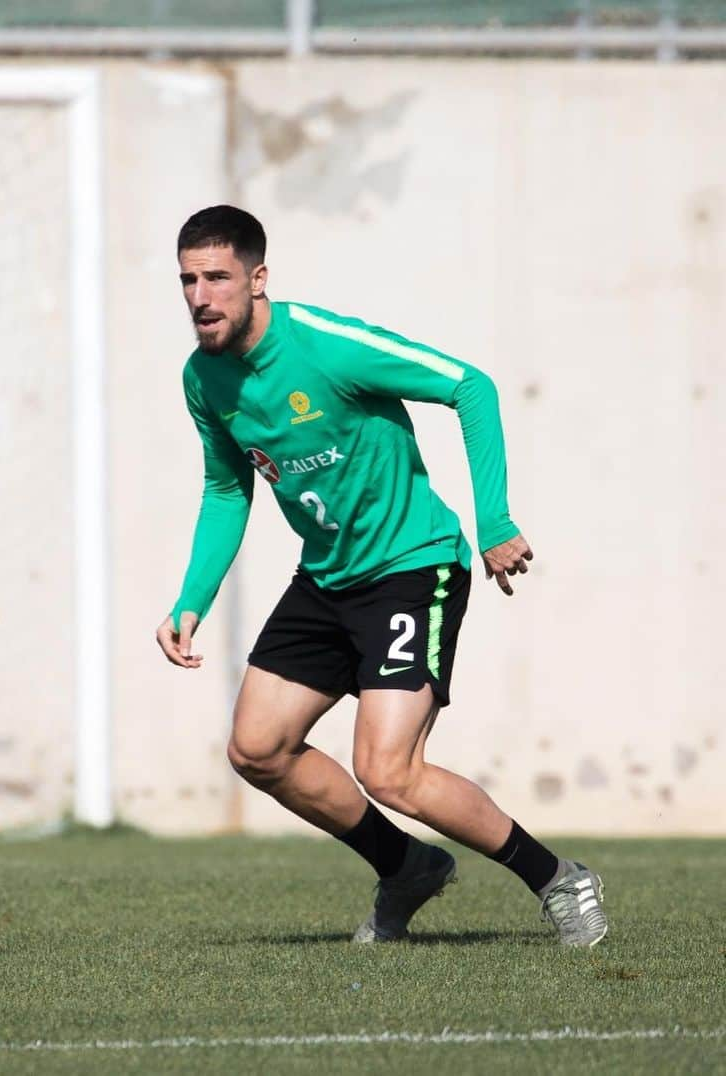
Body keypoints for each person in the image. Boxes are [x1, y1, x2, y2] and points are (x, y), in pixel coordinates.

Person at [156, 205, 607, 948]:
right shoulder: (204, 378)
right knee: (257, 749)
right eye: (188, 281)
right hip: (326, 578)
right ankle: (405, 867)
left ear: (259, 279)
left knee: (389, 772)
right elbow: (227, 487)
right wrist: (190, 600)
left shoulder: (327, 345)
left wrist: (491, 520)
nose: (201, 297)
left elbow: (472, 386)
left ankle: (560, 879)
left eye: (218, 278)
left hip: (412, 565)